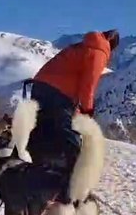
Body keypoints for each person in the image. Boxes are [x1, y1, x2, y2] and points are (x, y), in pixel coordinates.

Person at [26, 29, 119, 179]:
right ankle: (76, 177)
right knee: (68, 132)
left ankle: (36, 169)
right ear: (111, 45)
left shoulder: (83, 46)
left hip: (39, 85)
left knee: (43, 128)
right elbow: (89, 84)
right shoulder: (99, 52)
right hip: (58, 92)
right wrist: (87, 109)